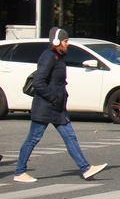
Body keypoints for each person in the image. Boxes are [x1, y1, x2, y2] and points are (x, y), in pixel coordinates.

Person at [13, 27, 107, 182]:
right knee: (33, 138)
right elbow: (38, 82)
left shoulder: (58, 57)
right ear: (56, 42)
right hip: (45, 106)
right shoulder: (49, 56)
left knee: (70, 137)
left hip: (56, 108)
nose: (67, 44)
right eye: (65, 41)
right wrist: (53, 98)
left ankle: (86, 168)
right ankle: (19, 172)